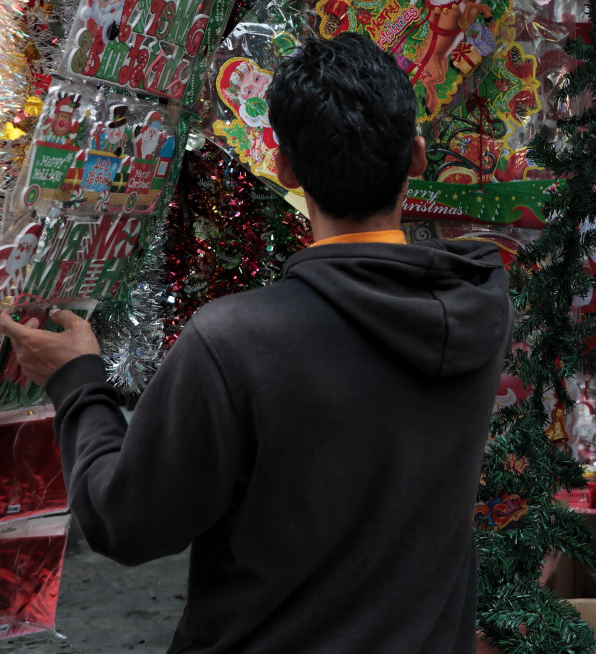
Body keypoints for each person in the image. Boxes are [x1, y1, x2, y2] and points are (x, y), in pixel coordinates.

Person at [0, 33, 512, 654]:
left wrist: (77, 381)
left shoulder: (237, 341)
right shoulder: (480, 307)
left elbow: (125, 523)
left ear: (285, 169)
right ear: (418, 158)